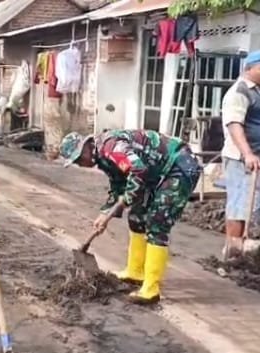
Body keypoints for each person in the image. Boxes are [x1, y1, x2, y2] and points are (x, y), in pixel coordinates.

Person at [59, 129, 201, 305]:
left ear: (87, 146)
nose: (80, 164)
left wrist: (125, 201)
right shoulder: (103, 159)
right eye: (76, 162)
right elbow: (119, 184)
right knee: (136, 217)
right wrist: (105, 213)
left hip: (179, 166)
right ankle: (135, 272)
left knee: (157, 221)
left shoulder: (111, 148)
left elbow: (138, 170)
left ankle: (151, 289)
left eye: (80, 158)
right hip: (156, 172)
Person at [221, 50, 260, 258]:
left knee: (251, 206)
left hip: (255, 159)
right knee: (239, 205)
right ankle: (233, 254)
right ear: (249, 68)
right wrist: (247, 154)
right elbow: (234, 124)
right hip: (240, 159)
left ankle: (244, 251)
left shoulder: (257, 91)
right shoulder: (239, 92)